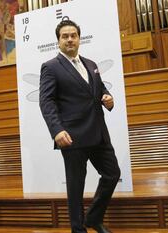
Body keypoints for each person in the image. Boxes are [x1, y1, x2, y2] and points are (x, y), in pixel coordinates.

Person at [39, 20, 121, 233]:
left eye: (73, 35)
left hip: (99, 133)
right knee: (76, 187)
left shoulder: (91, 64)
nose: (69, 39)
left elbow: (101, 89)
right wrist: (56, 130)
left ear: (79, 38)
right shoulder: (50, 67)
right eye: (65, 36)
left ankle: (93, 218)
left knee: (112, 174)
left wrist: (108, 98)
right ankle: (78, 229)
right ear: (58, 41)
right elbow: (46, 102)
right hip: (72, 136)